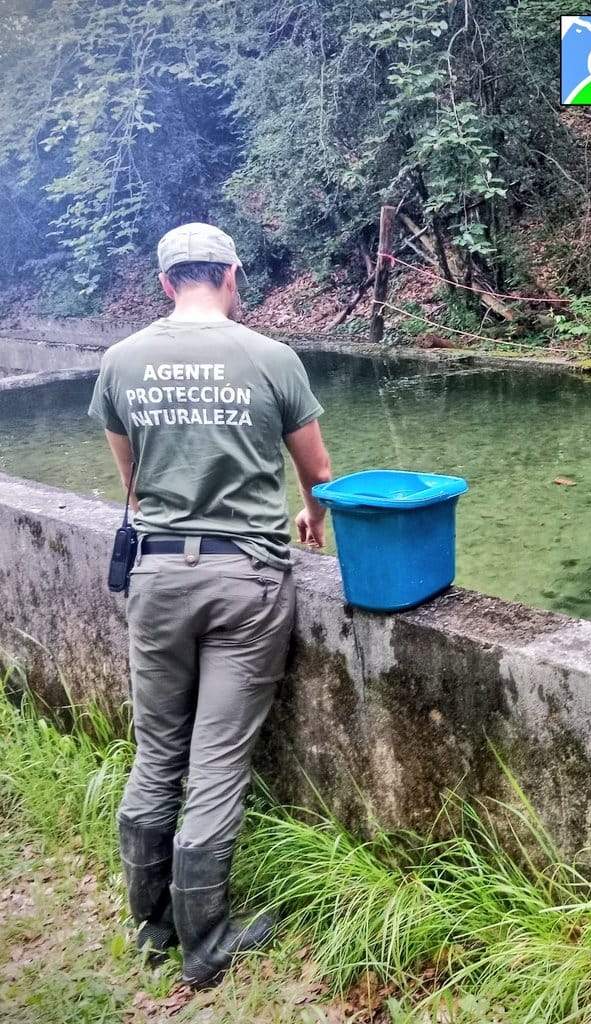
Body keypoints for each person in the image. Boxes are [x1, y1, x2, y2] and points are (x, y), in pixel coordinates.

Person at [88, 222, 333, 988]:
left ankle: (152, 928)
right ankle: (207, 946)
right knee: (217, 763)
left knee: (157, 754)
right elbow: (318, 471)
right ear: (231, 276)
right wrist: (310, 519)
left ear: (166, 283)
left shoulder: (120, 361)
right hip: (246, 580)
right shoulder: (270, 357)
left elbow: (130, 480)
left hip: (157, 580)